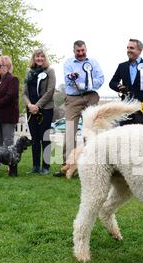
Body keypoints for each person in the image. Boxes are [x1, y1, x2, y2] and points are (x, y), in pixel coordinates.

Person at [53, 40, 104, 177]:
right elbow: (68, 80)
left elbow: (100, 79)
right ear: (74, 51)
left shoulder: (93, 63)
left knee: (91, 131)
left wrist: (85, 85)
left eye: (83, 50)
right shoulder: (68, 63)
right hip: (73, 99)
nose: (80, 53)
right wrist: (73, 78)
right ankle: (67, 164)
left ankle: (90, 165)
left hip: (91, 96)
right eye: (78, 51)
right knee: (70, 130)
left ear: (86, 49)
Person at [109, 39, 143, 125]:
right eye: (127, 48)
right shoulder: (122, 66)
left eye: (132, 48)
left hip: (142, 110)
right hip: (125, 109)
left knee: (140, 137)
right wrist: (119, 86)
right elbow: (112, 82)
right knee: (124, 136)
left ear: (140, 50)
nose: (128, 50)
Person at [23, 49, 56, 175]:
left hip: (45, 109)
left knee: (45, 137)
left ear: (45, 58)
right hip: (31, 109)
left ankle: (46, 166)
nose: (40, 58)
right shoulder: (29, 72)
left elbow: (50, 90)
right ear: (34, 58)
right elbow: (24, 93)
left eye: (42, 56)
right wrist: (30, 105)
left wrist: (37, 105)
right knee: (35, 138)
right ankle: (35, 166)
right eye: (37, 56)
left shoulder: (50, 71)